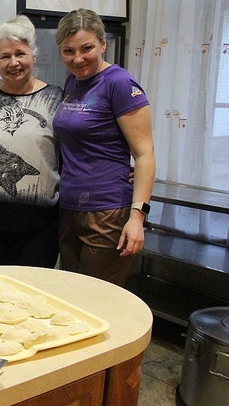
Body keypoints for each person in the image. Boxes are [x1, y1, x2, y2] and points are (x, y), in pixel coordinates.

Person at [53, 8, 155, 286]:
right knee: (73, 296)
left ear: (103, 44)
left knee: (101, 298)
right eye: (68, 51)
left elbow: (145, 155)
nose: (78, 58)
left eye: (87, 48)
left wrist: (137, 218)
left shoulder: (119, 84)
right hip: (71, 207)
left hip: (108, 211)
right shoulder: (74, 80)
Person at [0, 15, 63, 268]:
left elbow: (76, 151)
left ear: (34, 55)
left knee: (35, 295)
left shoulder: (56, 98)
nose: (13, 62)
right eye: (4, 56)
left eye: (20, 53)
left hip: (41, 225)